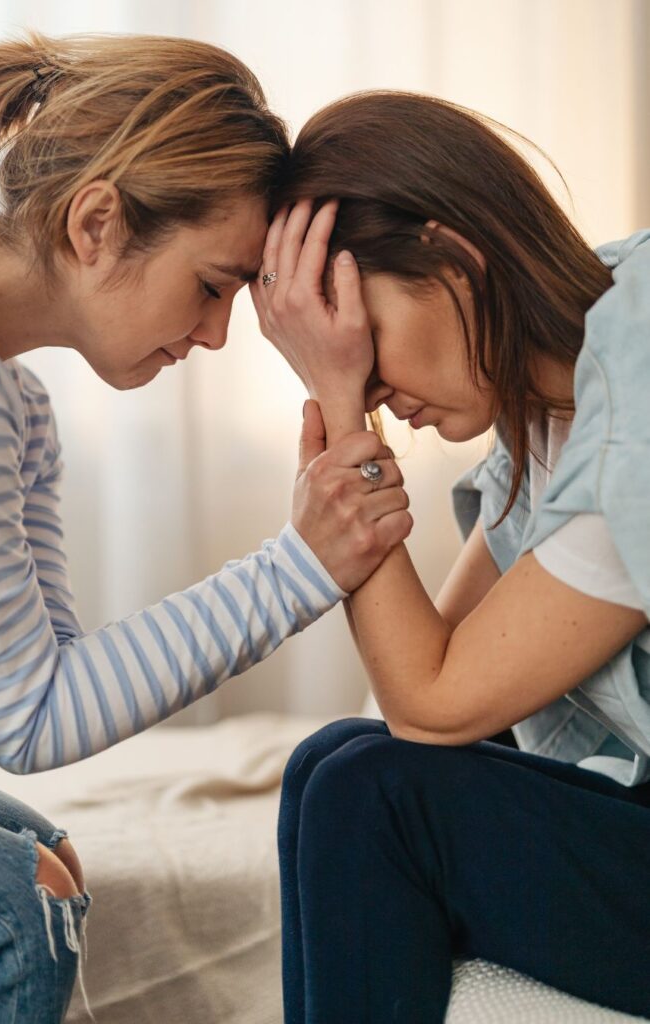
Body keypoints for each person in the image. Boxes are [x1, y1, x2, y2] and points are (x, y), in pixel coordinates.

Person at [0, 36, 412, 1022]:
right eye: (214, 284)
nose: (219, 333)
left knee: (47, 859)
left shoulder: (10, 401)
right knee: (14, 915)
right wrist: (296, 569)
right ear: (98, 221)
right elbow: (27, 718)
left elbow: (52, 670)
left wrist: (302, 563)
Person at [254, 91, 650, 1022]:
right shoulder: (547, 406)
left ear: (454, 258)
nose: (378, 393)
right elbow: (439, 671)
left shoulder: (634, 386)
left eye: (363, 344)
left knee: (371, 790)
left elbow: (431, 703)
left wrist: (338, 414)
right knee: (335, 760)